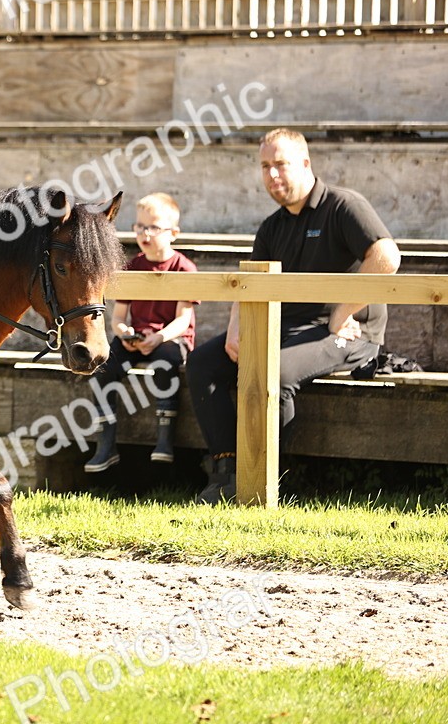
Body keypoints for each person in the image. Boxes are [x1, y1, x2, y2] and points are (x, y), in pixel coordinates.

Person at [186, 128, 401, 503]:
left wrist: (341, 312)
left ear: (305, 163)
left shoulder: (343, 205)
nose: (272, 175)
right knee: (204, 362)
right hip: (283, 328)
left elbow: (386, 257)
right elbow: (247, 284)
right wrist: (236, 330)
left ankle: (268, 484)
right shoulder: (273, 225)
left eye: (281, 164)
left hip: (350, 334)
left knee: (276, 372)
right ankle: (226, 475)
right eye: (265, 166)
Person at [85, 193, 198, 472]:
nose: (144, 234)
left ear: (173, 233)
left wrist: (159, 338)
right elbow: (119, 318)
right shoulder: (133, 266)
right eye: (139, 227)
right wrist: (126, 334)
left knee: (165, 362)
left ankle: (164, 441)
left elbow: (183, 320)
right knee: (104, 367)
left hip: (171, 338)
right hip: (139, 336)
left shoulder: (183, 268)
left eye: (153, 227)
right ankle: (106, 444)